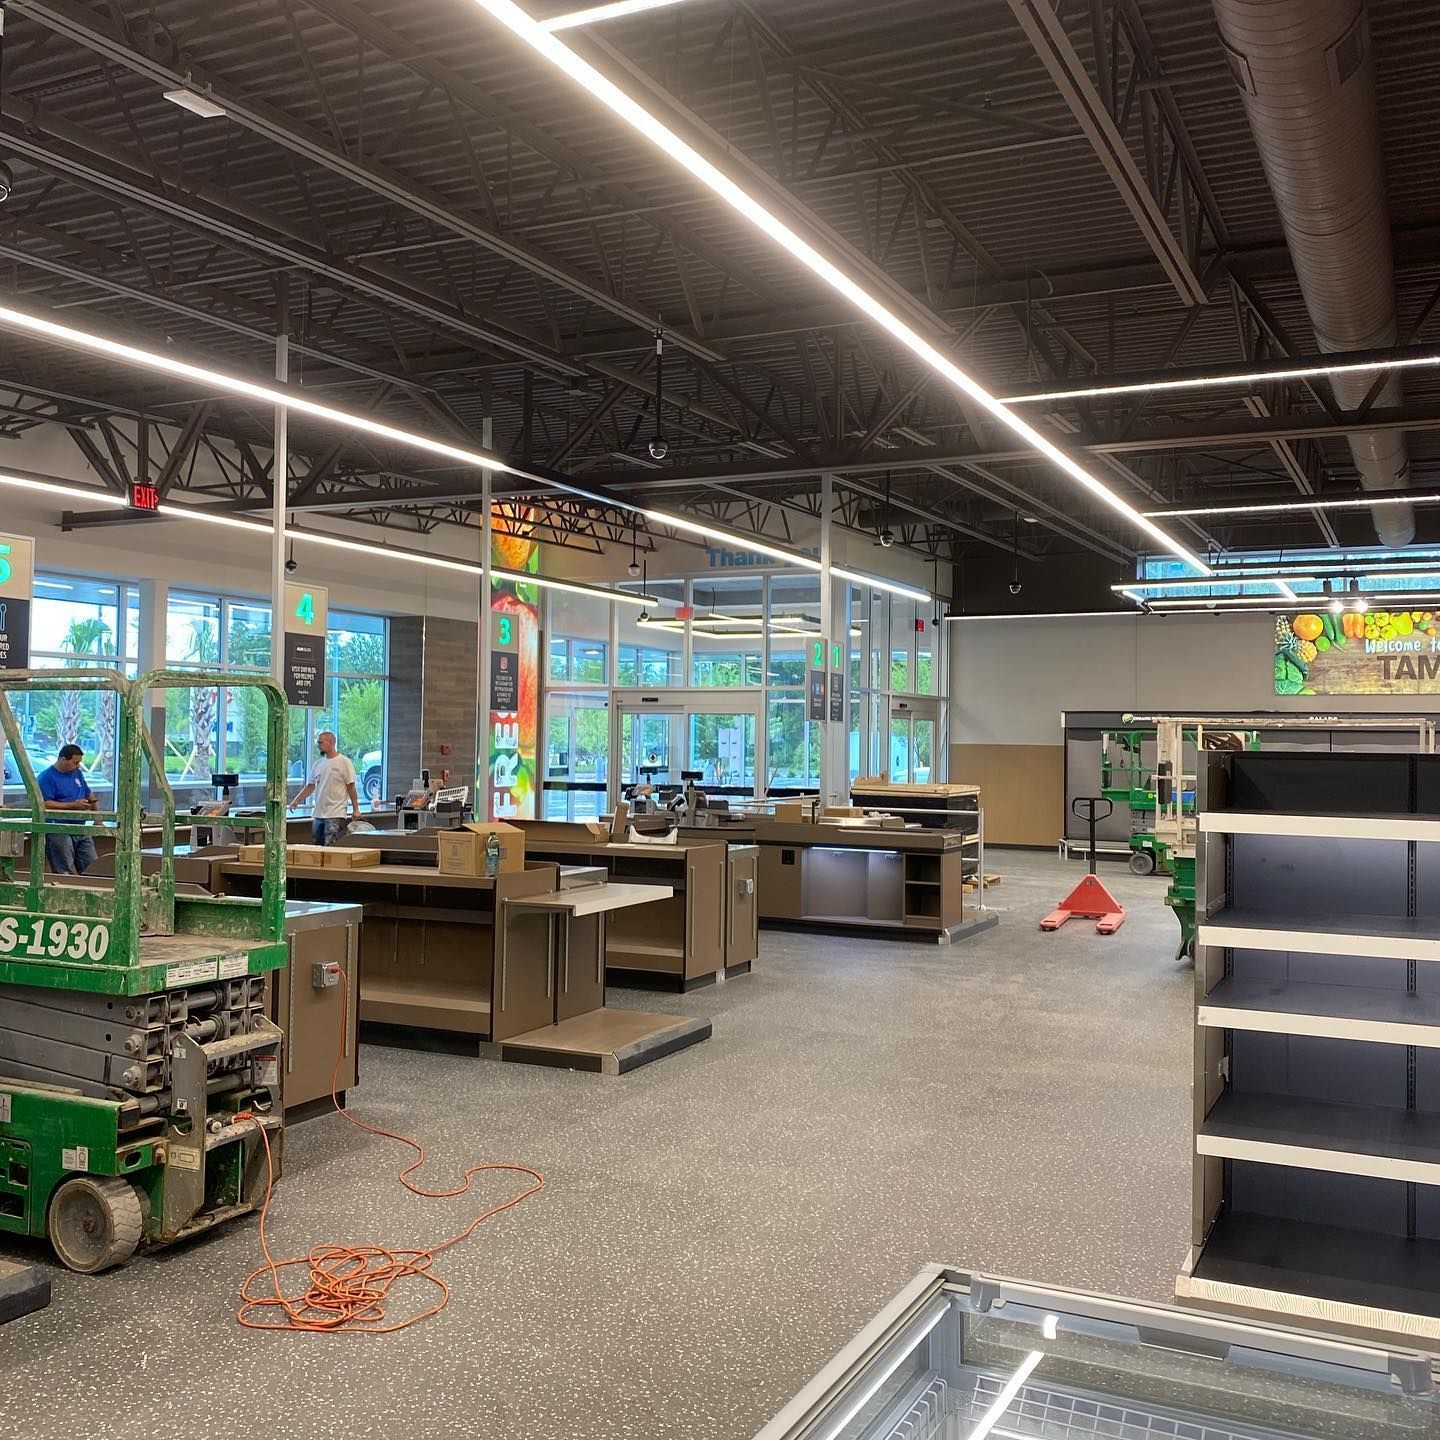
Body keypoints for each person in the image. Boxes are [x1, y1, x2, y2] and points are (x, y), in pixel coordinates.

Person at [289, 730, 361, 845]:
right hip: (319, 813)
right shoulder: (318, 764)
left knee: (330, 846)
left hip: (335, 813)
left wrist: (356, 809)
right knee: (317, 846)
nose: (319, 745)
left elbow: (351, 787)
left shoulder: (344, 762)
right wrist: (296, 800)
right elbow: (310, 786)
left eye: (321, 742)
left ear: (331, 742)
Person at [38, 743, 99, 875]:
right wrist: (73, 805)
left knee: (93, 867)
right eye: (75, 762)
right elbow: (45, 804)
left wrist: (97, 818)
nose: (77, 766)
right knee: (65, 870)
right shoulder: (46, 778)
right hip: (58, 828)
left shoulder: (77, 773)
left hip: (80, 828)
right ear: (63, 759)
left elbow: (89, 793)